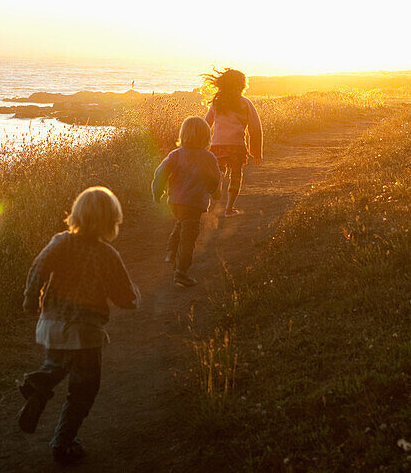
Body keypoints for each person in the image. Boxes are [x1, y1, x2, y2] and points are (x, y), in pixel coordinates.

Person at [18, 186, 140, 465]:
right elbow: (122, 295)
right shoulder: (108, 254)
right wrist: (134, 299)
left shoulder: (60, 242)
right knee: (83, 389)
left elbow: (38, 268)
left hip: (52, 325)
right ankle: (63, 441)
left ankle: (40, 386)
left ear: (76, 214)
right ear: (112, 221)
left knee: (56, 364)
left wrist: (30, 300)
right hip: (85, 332)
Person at [151, 116, 221, 287]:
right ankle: (181, 273)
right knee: (189, 237)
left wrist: (157, 192)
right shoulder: (208, 157)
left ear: (183, 134)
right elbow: (215, 179)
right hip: (194, 202)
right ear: (206, 137)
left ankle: (171, 251)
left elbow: (160, 173)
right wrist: (216, 193)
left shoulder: (175, 155)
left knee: (181, 223)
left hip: (175, 201)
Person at [203, 68, 263, 217]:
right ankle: (229, 208)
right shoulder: (245, 103)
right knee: (236, 175)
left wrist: (200, 146)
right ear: (242, 85)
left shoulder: (217, 104)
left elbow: (205, 124)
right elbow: (256, 128)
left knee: (219, 172)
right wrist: (256, 152)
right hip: (237, 146)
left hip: (217, 145)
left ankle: (212, 191)